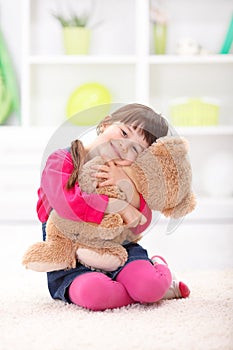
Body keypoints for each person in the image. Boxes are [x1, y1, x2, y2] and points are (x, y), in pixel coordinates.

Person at [37, 103, 190, 311]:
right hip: (71, 259)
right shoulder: (62, 159)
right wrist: (119, 207)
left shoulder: (126, 174)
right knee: (95, 294)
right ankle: (152, 292)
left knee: (150, 286)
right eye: (124, 132)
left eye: (136, 148)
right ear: (105, 123)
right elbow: (66, 205)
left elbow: (138, 225)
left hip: (120, 250)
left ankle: (157, 269)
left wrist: (128, 189)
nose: (125, 146)